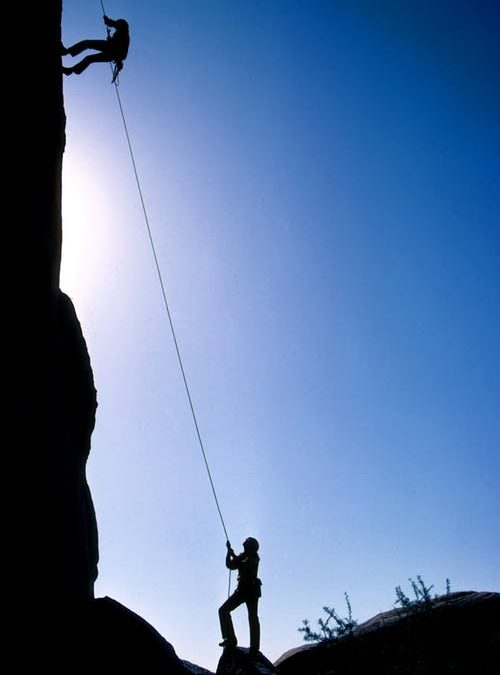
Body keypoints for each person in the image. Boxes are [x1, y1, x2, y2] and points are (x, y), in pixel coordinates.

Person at [218, 537, 262, 654]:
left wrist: (233, 554)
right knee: (223, 611)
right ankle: (230, 639)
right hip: (243, 590)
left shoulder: (254, 557)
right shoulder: (244, 556)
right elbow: (230, 565)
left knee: (253, 617)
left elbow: (242, 563)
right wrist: (229, 552)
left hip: (250, 590)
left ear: (250, 546)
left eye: (246, 543)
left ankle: (254, 647)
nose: (243, 544)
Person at [62, 15, 129, 80]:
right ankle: (71, 69)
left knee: (87, 46)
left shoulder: (124, 33)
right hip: (110, 50)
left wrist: (107, 20)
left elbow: (113, 24)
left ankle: (68, 55)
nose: (116, 27)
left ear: (122, 26)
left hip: (111, 50)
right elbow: (116, 40)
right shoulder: (121, 33)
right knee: (89, 55)